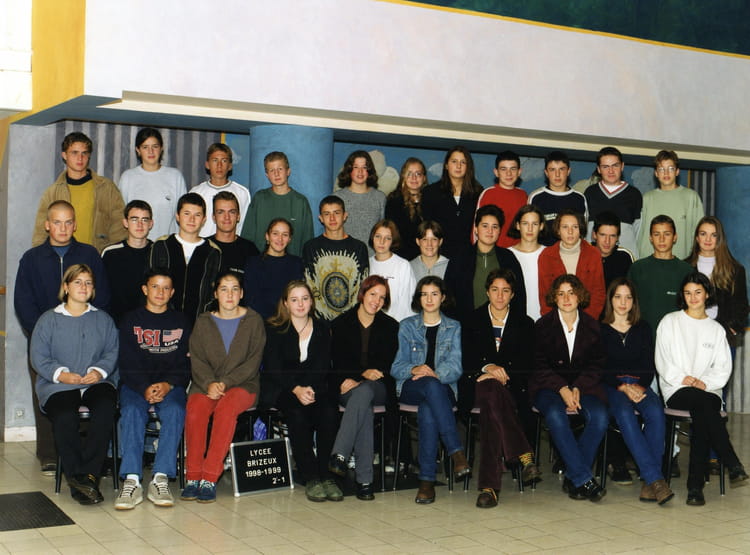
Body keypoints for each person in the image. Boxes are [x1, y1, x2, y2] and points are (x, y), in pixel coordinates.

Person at [15, 200, 111, 474]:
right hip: (44, 344)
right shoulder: (32, 258)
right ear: (47, 225)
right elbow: (23, 302)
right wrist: (44, 335)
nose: (63, 228)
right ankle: (49, 454)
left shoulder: (89, 254)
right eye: (57, 222)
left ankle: (84, 457)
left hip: (87, 343)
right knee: (49, 396)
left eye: (68, 222)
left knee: (90, 394)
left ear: (75, 225)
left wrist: (90, 332)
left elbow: (102, 296)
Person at [655, 272, 748, 506]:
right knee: (704, 408)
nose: (693, 297)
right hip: (677, 388)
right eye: (688, 293)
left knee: (703, 409)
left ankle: (698, 486)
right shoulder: (670, 322)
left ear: (707, 294)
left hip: (709, 389)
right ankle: (725, 465)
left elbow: (723, 367)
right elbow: (662, 360)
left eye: (698, 292)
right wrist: (684, 378)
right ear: (682, 295)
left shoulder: (716, 329)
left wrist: (705, 382)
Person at [30, 264, 118, 505]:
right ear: (66, 287)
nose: (83, 287)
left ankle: (86, 476)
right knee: (65, 416)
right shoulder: (48, 320)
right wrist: (61, 375)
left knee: (105, 408)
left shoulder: (103, 319)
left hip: (96, 381)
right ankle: (80, 478)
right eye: (77, 282)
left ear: (93, 289)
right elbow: (38, 356)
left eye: (88, 282)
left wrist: (98, 371)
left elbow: (112, 351)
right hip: (58, 384)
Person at [181, 272, 265, 503]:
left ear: (242, 293)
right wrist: (210, 383)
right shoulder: (203, 321)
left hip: (243, 384)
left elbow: (253, 363)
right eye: (224, 289)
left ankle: (209, 476)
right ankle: (193, 476)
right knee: (195, 409)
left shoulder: (254, 321)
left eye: (235, 289)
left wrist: (225, 383)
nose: (230, 294)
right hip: (205, 383)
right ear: (215, 293)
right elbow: (197, 358)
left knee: (226, 409)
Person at [462, 268, 540, 508]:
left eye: (505, 291)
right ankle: (524, 454)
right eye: (494, 290)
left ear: (513, 294)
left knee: (492, 404)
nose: (499, 296)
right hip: (477, 385)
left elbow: (528, 365)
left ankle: (489, 488)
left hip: (513, 389)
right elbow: (465, 359)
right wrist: (488, 368)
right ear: (487, 292)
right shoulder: (472, 320)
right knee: (490, 391)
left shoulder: (525, 323)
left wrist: (502, 374)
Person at [115, 270, 191, 510]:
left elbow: (186, 364)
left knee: (176, 410)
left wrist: (168, 384)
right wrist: (143, 387)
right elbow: (126, 363)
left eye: (166, 288)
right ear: (145, 289)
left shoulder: (182, 322)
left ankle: (160, 478)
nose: (160, 292)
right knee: (131, 412)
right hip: (136, 384)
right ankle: (132, 480)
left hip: (170, 385)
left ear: (172, 292)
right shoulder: (130, 320)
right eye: (155, 286)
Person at [391, 276, 470, 504]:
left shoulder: (454, 327)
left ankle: (426, 482)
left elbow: (455, 367)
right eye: (424, 294)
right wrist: (415, 368)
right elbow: (396, 367)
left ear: (443, 297)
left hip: (443, 387)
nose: (429, 299)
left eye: (434, 294)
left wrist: (434, 374)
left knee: (428, 408)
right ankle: (456, 453)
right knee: (430, 389)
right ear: (418, 298)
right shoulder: (407, 326)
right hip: (412, 386)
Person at [529, 274, 608, 502]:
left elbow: (597, 365)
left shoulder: (593, 326)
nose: (566, 298)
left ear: (579, 296)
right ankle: (583, 478)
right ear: (554, 298)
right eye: (560, 294)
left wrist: (578, 387)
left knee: (600, 416)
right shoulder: (542, 326)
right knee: (555, 414)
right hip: (548, 387)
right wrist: (562, 388)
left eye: (571, 293)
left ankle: (574, 477)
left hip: (584, 387)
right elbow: (538, 365)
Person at [262, 280, 341, 502]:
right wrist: (296, 389)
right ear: (285, 303)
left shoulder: (322, 328)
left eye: (305, 299)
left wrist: (309, 389)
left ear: (311, 302)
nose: (300, 304)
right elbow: (273, 368)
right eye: (294, 299)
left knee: (329, 411)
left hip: (315, 386)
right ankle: (311, 476)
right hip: (283, 387)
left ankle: (327, 475)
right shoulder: (274, 329)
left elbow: (323, 366)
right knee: (297, 414)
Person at [600, 278, 673, 505]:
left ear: (634, 301)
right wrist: (622, 387)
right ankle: (656, 479)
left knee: (656, 412)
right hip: (612, 385)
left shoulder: (643, 327)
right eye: (618, 297)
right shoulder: (599, 328)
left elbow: (649, 364)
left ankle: (649, 485)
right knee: (624, 414)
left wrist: (639, 385)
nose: (623, 302)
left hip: (640, 384)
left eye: (628, 297)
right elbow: (599, 368)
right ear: (610, 300)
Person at [328, 275, 400, 500]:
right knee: (363, 405)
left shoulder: (391, 326)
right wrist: (359, 376)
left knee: (366, 391)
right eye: (373, 294)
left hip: (378, 387)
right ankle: (365, 481)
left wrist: (361, 377)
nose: (376, 301)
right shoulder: (340, 324)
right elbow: (336, 363)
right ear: (362, 294)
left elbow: (385, 366)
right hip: (347, 387)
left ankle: (340, 453)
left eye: (382, 297)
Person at [32, 131, 126, 252]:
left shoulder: (107, 188)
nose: (80, 158)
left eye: (84, 153)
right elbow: (40, 233)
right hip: (62, 257)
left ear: (89, 156)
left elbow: (119, 228)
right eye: (74, 153)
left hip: (97, 256)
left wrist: (112, 255)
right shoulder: (52, 193)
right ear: (64, 155)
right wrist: (40, 258)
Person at [148, 193, 222, 325]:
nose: (192, 219)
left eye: (197, 215)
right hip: (162, 323)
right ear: (177, 216)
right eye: (187, 213)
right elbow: (149, 286)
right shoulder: (161, 246)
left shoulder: (213, 252)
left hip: (199, 326)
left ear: (204, 219)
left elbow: (214, 294)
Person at [444, 204, 526, 322]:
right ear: (476, 229)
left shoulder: (508, 258)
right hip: (466, 325)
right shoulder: (460, 258)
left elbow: (519, 297)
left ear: (499, 231)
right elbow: (448, 297)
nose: (490, 231)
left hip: (501, 325)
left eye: (495, 227)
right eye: (485, 226)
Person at [685, 216, 749, 349]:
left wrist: (732, 327)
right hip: (690, 335)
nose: (708, 239)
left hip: (723, 337)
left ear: (720, 239)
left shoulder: (734, 269)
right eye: (703, 234)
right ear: (697, 238)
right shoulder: (684, 267)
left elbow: (742, 306)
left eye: (713, 235)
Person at [302, 196, 369, 320]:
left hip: (351, 321)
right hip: (319, 321)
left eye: (336, 213)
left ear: (345, 216)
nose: (332, 218)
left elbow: (362, 287)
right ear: (321, 218)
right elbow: (310, 285)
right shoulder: (310, 247)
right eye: (327, 214)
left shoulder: (359, 248)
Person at [628, 215, 693, 339]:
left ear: (675, 237)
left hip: (676, 337)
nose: (662, 239)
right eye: (656, 234)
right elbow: (628, 304)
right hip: (642, 337)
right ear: (650, 238)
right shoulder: (638, 268)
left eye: (667, 234)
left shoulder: (686, 271)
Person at [118, 127, 187, 240]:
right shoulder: (128, 177)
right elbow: (121, 215)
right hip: (137, 244)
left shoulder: (175, 176)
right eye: (145, 147)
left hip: (167, 245)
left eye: (155, 146)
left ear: (161, 148)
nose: (151, 151)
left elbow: (184, 215)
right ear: (138, 150)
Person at [241, 151, 314, 257]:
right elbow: (247, 236)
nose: (276, 174)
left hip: (291, 263)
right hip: (261, 262)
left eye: (280, 169)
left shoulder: (300, 202)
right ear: (267, 175)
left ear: (288, 171)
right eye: (272, 170)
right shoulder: (259, 198)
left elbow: (308, 240)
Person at [537, 209, 606, 319]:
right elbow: (545, 295)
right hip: (556, 320)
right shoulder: (546, 256)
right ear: (558, 230)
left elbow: (598, 293)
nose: (570, 232)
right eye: (565, 227)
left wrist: (585, 321)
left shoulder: (593, 254)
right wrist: (555, 322)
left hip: (587, 319)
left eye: (575, 227)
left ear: (580, 230)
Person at [636, 150, 704, 260]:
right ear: (656, 173)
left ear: (677, 171)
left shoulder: (691, 197)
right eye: (661, 169)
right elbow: (639, 232)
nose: (666, 173)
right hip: (649, 262)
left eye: (671, 168)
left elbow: (699, 232)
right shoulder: (646, 198)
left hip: (682, 262)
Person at [421, 146, 483, 259]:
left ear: (468, 166)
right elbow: (426, 227)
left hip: (469, 255)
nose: (458, 166)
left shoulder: (478, 193)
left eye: (463, 162)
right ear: (446, 165)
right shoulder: (431, 192)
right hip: (438, 255)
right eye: (454, 161)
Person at [102, 200, 154, 325]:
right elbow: (101, 291)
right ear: (125, 223)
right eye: (134, 219)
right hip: (116, 323)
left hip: (149, 324)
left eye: (145, 220)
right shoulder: (110, 253)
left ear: (151, 224)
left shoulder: (158, 252)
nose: (140, 225)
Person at [584, 147, 642, 257]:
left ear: (622, 166)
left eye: (615, 165)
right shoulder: (590, 193)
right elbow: (584, 228)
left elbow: (638, 231)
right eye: (605, 167)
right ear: (599, 169)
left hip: (624, 259)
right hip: (593, 258)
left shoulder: (634, 194)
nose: (611, 171)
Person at [243, 218, 304, 319]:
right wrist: (273, 320)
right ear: (267, 236)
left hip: (289, 319)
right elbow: (251, 299)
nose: (280, 239)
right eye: (275, 234)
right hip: (260, 321)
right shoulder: (253, 263)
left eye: (285, 235)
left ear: (289, 239)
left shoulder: (296, 264)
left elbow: (297, 297)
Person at [527, 151, 588, 247]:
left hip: (571, 253)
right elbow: (529, 231)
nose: (557, 174)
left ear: (568, 171)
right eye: (552, 170)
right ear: (546, 173)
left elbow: (583, 233)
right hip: (543, 253)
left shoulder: (579, 198)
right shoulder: (536, 197)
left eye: (562, 169)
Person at [192, 143, 251, 238]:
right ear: (207, 165)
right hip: (203, 245)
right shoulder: (196, 192)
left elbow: (244, 227)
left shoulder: (242, 193)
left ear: (230, 166)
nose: (219, 165)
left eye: (224, 160)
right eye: (215, 160)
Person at [333, 150, 386, 252]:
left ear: (369, 171)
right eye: (356, 167)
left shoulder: (380, 197)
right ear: (349, 170)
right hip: (344, 256)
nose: (360, 172)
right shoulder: (338, 198)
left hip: (372, 257)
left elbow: (384, 230)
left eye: (364, 167)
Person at [476, 151, 528, 248]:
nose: (508, 173)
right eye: (503, 169)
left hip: (519, 251)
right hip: (494, 251)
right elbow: (477, 227)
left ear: (519, 172)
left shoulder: (523, 195)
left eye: (513, 169)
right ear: (496, 172)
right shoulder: (488, 194)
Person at [368, 220, 416, 321]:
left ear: (393, 241)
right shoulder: (366, 264)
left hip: (397, 323)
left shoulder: (403, 265)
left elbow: (407, 304)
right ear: (372, 238)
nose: (382, 241)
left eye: (387, 238)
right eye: (378, 236)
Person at [507, 205, 546, 320]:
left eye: (534, 224)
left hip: (544, 319)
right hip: (516, 319)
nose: (530, 229)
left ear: (541, 226)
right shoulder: (507, 255)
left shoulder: (549, 254)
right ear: (518, 225)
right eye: (525, 224)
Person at [385, 157, 427, 260]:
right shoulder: (394, 200)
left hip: (426, 257)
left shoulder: (430, 199)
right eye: (409, 174)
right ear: (403, 176)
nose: (414, 178)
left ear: (424, 178)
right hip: (400, 258)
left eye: (418, 174)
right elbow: (392, 234)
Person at [208, 191, 259, 275]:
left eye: (232, 212)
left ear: (238, 216)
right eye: (221, 212)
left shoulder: (250, 250)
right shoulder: (203, 248)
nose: (227, 217)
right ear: (214, 217)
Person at [591, 212, 634, 288]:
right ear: (594, 234)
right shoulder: (584, 254)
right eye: (603, 235)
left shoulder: (625, 258)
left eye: (612, 236)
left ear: (618, 237)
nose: (607, 241)